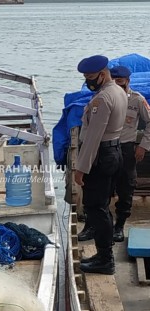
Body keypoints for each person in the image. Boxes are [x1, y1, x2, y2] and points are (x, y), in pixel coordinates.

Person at [78, 66, 150, 243]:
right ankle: (93, 226)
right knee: (101, 190)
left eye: (121, 81)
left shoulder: (136, 100)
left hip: (125, 148)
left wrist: (143, 145)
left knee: (126, 187)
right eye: (115, 80)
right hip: (107, 149)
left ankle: (119, 226)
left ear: (127, 81)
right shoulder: (103, 96)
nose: (117, 84)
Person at [74, 55, 127, 275]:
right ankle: (102, 255)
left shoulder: (103, 98)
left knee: (95, 207)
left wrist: (81, 168)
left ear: (103, 74)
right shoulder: (118, 92)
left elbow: (94, 136)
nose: (88, 80)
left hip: (101, 155)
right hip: (114, 151)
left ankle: (105, 260)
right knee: (102, 206)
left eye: (90, 77)